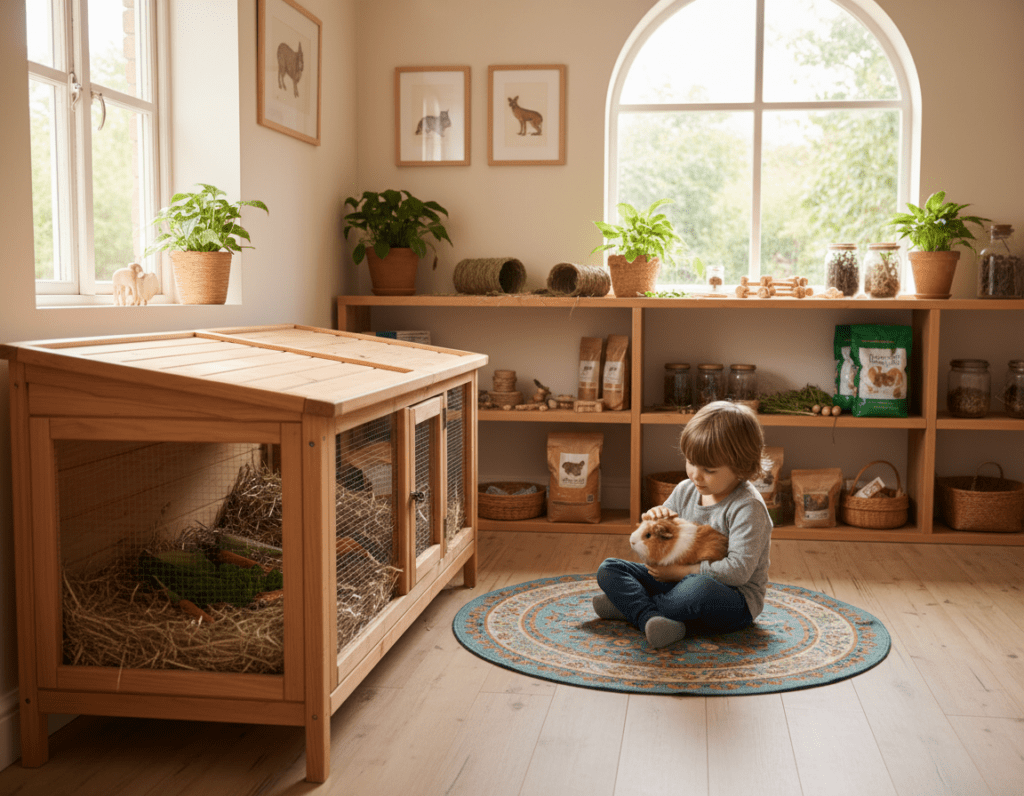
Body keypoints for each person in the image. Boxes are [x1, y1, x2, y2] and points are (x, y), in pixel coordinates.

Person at [594, 401, 773, 648]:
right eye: (690, 461)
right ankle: (653, 618)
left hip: (730, 599)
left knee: (698, 589)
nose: (695, 475)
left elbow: (738, 571)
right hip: (674, 582)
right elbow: (660, 538)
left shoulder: (748, 507)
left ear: (741, 467)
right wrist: (654, 516)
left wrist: (682, 572)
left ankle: (633, 607)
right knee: (609, 569)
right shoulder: (685, 489)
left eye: (708, 469)